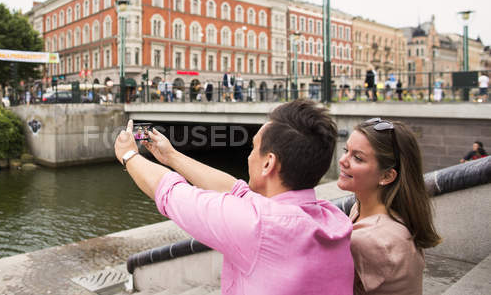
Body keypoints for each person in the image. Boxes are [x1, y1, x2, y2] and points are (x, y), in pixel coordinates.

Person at [114, 100, 354, 294]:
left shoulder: (258, 226)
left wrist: (129, 156)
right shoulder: (333, 219)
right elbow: (238, 191)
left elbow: (170, 192)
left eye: (253, 148)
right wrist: (172, 157)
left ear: (268, 162)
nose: (249, 156)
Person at [338, 118, 441, 294]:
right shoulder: (370, 209)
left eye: (357, 157)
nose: (342, 161)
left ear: (386, 176)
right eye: (346, 150)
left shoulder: (368, 240)